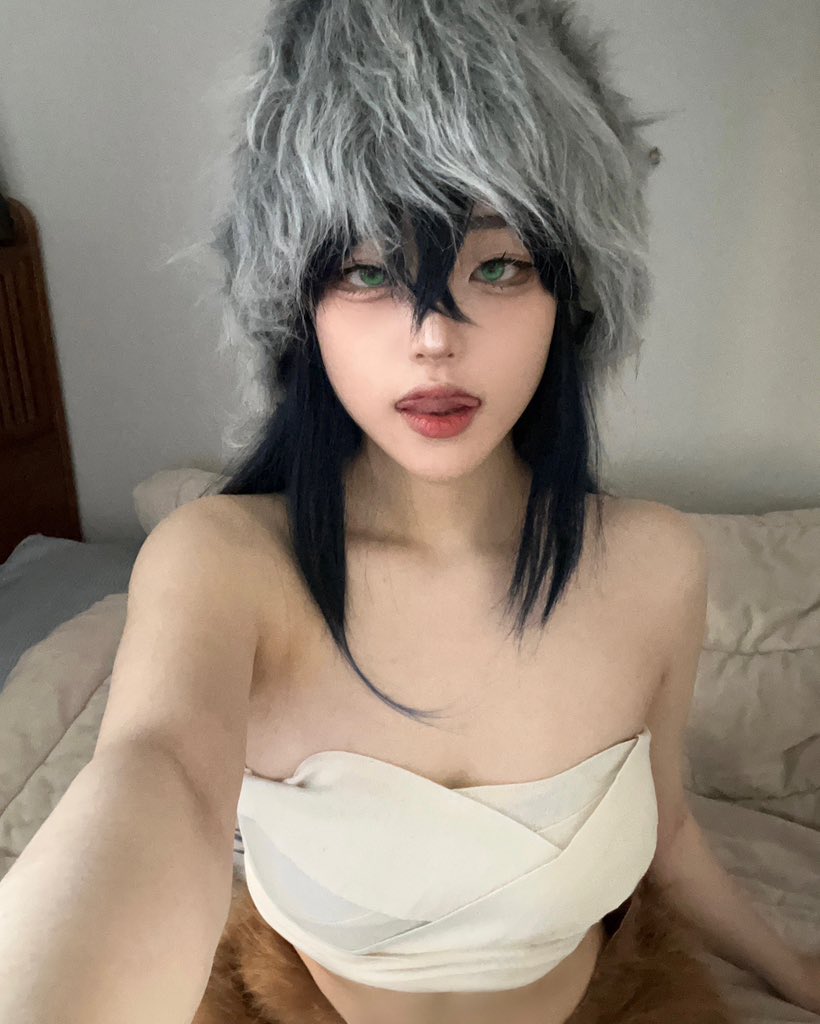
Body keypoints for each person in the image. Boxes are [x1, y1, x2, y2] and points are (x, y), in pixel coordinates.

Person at [0, 2, 817, 1023]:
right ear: (299, 309)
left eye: (498, 265)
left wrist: (790, 968)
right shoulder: (222, 561)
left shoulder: (655, 563)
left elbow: (671, 830)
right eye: (369, 271)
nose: (435, 335)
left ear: (569, 300)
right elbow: (154, 779)